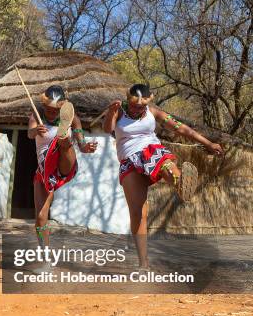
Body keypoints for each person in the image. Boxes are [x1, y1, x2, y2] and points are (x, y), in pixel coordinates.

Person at [103, 83, 223, 268]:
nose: (137, 109)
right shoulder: (119, 111)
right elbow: (107, 129)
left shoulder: (153, 112)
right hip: (129, 161)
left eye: (141, 107)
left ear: (148, 103)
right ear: (128, 100)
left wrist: (207, 143)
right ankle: (144, 264)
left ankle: (181, 183)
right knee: (137, 214)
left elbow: (181, 128)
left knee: (163, 161)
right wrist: (111, 112)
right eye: (134, 105)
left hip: (151, 150)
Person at [27, 85, 98, 248]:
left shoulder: (73, 119)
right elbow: (29, 134)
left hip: (65, 163)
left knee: (63, 141)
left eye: (56, 110)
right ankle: (44, 254)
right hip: (45, 170)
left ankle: (64, 135)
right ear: (43, 106)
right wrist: (36, 130)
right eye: (49, 109)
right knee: (40, 216)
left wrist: (86, 147)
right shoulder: (35, 118)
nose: (52, 113)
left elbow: (81, 144)